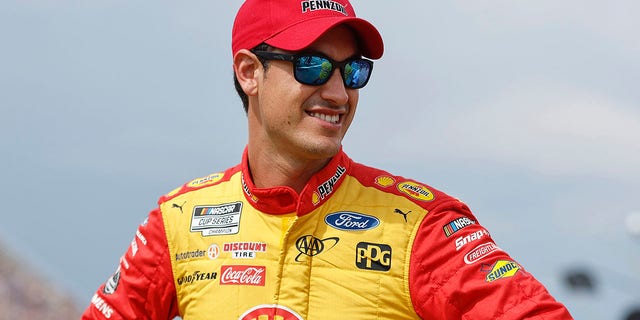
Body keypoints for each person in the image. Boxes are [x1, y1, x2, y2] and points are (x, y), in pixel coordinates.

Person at [83, 0, 574, 319]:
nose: (338, 92)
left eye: (354, 70)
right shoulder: (177, 220)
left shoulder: (422, 225)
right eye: (313, 65)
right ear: (249, 73)